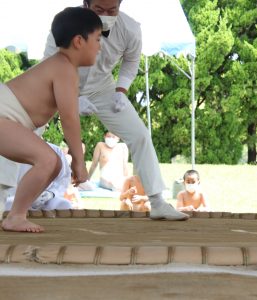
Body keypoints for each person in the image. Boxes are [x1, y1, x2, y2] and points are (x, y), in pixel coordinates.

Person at [42, 0, 188, 220]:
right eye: (99, 10)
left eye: (112, 10)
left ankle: (157, 202)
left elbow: (131, 61)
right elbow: (48, 63)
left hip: (103, 89)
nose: (106, 16)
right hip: (58, 85)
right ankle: (8, 197)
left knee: (140, 135)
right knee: (27, 131)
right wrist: (71, 98)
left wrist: (121, 90)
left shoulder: (130, 28)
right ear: (85, 5)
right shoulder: (65, 24)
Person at [0, 7, 102, 232]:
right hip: (3, 115)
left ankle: (18, 213)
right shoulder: (64, 68)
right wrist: (78, 160)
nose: (100, 46)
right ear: (78, 41)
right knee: (47, 160)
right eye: (97, 38)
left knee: (54, 163)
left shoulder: (63, 67)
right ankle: (15, 216)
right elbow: (69, 119)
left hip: (8, 118)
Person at [4, 142, 74, 212]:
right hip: (11, 198)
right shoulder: (6, 149)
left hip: (46, 199)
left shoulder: (55, 150)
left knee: (64, 204)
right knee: (9, 205)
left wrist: (51, 193)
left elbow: (63, 179)